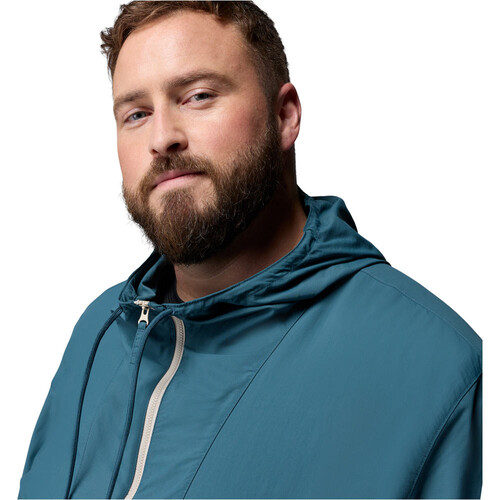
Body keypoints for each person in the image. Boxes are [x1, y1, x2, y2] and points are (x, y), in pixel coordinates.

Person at [19, 1, 482, 499]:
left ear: (285, 116)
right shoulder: (101, 333)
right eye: (136, 114)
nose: (162, 138)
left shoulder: (435, 364)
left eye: (197, 96)